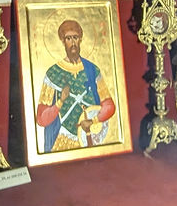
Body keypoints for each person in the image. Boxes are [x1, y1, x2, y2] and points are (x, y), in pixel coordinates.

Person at [35, 18, 117, 153]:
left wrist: (93, 120)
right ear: (62, 41)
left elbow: (109, 105)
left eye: (75, 38)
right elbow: (41, 119)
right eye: (68, 38)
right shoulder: (52, 73)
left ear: (81, 39)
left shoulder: (92, 70)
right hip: (62, 140)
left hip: (89, 137)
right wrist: (60, 101)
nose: (73, 43)